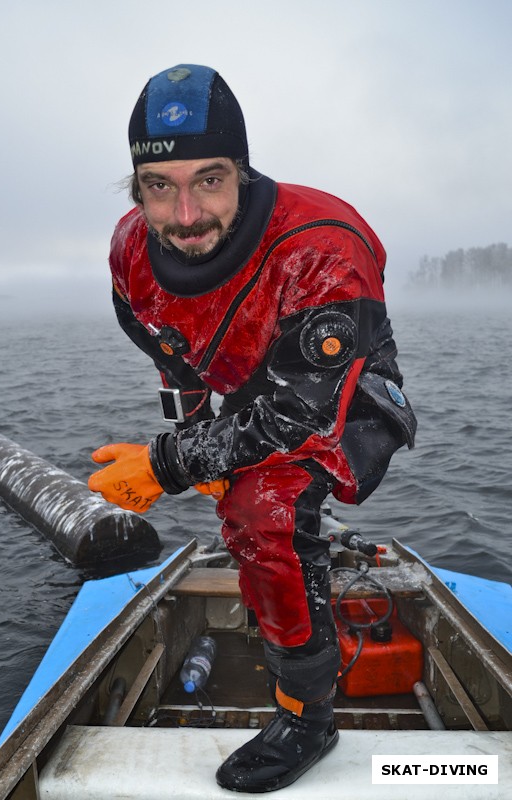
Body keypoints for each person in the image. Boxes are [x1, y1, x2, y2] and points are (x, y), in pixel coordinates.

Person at [88, 64, 416, 793]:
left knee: (261, 508)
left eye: (209, 180)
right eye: (158, 187)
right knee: (229, 484)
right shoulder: (130, 256)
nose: (185, 215)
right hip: (242, 382)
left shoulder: (322, 245)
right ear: (135, 189)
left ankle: (308, 716)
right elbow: (172, 356)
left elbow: (301, 413)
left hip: (343, 394)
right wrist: (195, 442)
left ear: (241, 168)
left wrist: (163, 465)